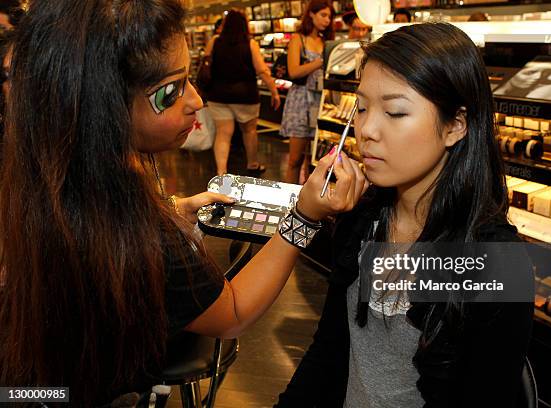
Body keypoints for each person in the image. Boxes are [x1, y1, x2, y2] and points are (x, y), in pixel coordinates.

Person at [0, 0, 366, 405]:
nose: (196, 101)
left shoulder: (49, 178)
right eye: (171, 91)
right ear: (102, 107)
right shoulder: (126, 221)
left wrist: (169, 212)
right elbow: (233, 313)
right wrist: (305, 216)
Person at [275, 23, 534, 407]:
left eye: (395, 112)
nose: (367, 130)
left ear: (456, 125)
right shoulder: (362, 219)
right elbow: (328, 353)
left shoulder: (496, 262)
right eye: (360, 108)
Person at [204, 10, 280, 176]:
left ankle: (221, 171)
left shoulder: (214, 41)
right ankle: (252, 163)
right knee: (249, 131)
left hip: (218, 95)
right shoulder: (250, 43)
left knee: (223, 134)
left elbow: (206, 65)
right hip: (245, 96)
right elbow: (262, 70)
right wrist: (274, 91)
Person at [281, 0, 334, 184]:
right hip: (300, 101)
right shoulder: (298, 39)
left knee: (314, 160)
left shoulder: (325, 41)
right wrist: (320, 61)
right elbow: (293, 71)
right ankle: (290, 200)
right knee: (295, 158)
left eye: (329, 16)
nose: (327, 20)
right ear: (311, 14)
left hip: (320, 101)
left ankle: (308, 201)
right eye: (323, 15)